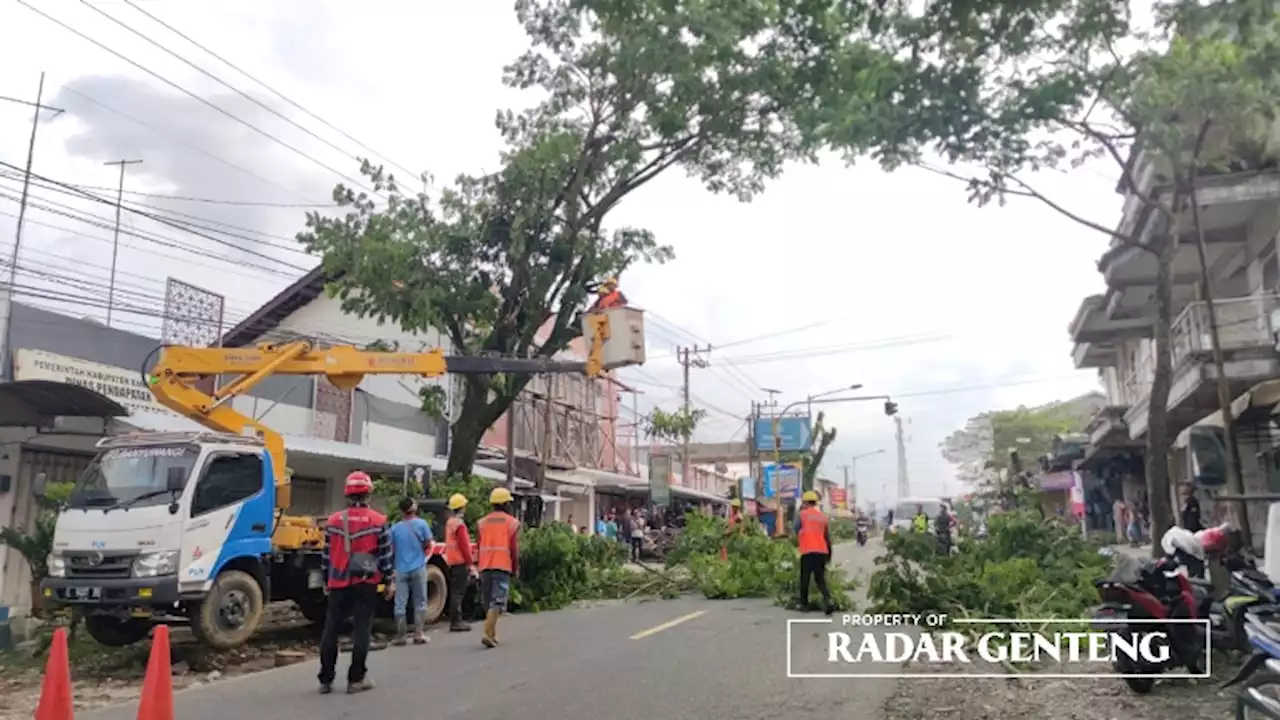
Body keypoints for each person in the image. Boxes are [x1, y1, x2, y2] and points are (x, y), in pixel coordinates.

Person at [318, 471, 393, 695]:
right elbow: (385, 556)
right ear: (368, 494)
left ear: (347, 495)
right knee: (362, 629)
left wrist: (326, 579)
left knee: (331, 629)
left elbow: (326, 555)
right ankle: (356, 679)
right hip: (365, 582)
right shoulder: (379, 521)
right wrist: (389, 580)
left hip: (338, 582)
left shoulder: (333, 521)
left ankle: (326, 679)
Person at [477, 487, 521, 648]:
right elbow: (514, 549)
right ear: (504, 504)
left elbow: (479, 544)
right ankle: (488, 633)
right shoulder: (511, 522)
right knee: (498, 601)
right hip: (502, 565)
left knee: (488, 601)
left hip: (484, 565)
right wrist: (516, 567)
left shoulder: (481, 522)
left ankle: (492, 634)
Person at [389, 496, 433, 646]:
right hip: (418, 567)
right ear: (413, 508)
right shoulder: (422, 524)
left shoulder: (394, 528)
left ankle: (401, 636)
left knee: (400, 602)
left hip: (400, 569)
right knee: (420, 601)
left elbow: (391, 549)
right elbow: (428, 542)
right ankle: (418, 634)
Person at [794, 490, 834, 614]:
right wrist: (829, 554)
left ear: (805, 502)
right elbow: (827, 537)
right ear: (816, 503)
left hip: (808, 551)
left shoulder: (802, 515)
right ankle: (828, 600)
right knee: (820, 579)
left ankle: (804, 604)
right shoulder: (823, 517)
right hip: (822, 551)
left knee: (804, 578)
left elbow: (795, 528)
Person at [443, 493, 475, 633]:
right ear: (462, 507)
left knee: (455, 591)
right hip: (460, 561)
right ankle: (456, 621)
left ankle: (455, 620)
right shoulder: (459, 524)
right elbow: (464, 545)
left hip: (451, 560)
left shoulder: (450, 522)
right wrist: (470, 563)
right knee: (458, 593)